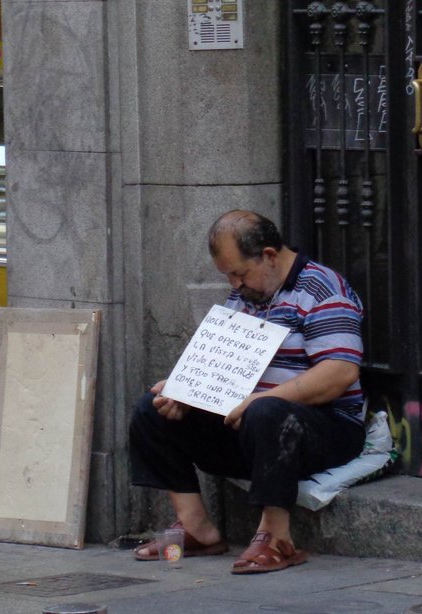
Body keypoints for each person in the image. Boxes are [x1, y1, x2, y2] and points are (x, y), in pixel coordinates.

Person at [130, 210, 366, 574]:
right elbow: (220, 363)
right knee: (153, 407)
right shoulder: (247, 294)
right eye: (230, 277)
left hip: (324, 428)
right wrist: (183, 387)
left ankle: (276, 537)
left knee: (267, 410)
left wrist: (264, 398)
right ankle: (196, 527)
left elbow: (340, 372)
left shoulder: (322, 288)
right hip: (251, 428)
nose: (236, 285)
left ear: (270, 255)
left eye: (240, 273)